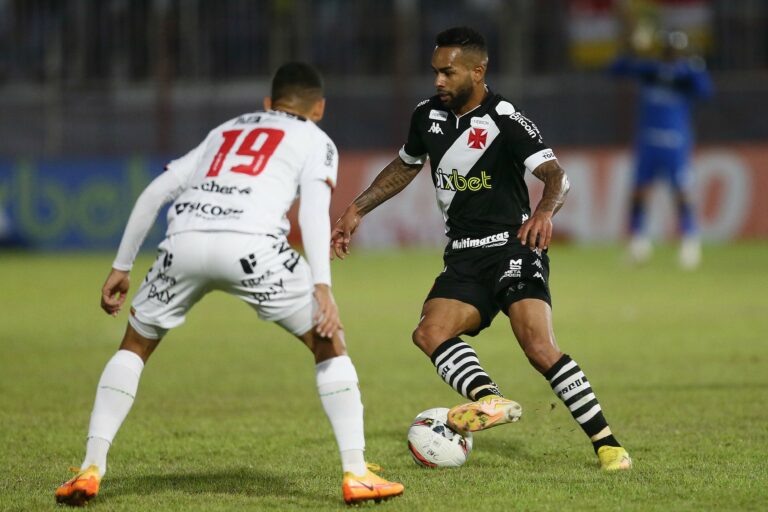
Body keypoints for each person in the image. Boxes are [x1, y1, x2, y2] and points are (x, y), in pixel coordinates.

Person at [54, 62, 404, 506]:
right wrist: (322, 284)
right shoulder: (316, 140)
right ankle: (357, 473)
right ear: (319, 108)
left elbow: (155, 192)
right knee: (328, 344)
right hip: (253, 248)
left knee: (134, 346)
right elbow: (315, 209)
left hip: (183, 244)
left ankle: (90, 466)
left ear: (267, 103)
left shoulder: (227, 129)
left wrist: (122, 265)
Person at [332, 27, 631, 471]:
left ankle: (608, 444)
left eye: (447, 72)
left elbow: (555, 176)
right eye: (435, 72)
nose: (438, 81)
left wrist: (544, 213)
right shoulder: (426, 116)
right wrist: (358, 208)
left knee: (538, 347)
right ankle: (490, 400)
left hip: (513, 246)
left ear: (478, 70)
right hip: (464, 256)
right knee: (428, 333)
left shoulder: (506, 118)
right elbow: (405, 165)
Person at [610, 30, 714, 269]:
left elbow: (706, 92)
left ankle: (689, 242)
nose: (671, 54)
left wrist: (695, 67)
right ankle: (638, 243)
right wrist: (631, 48)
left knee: (681, 191)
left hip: (675, 142)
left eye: (675, 50)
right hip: (648, 141)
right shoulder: (650, 72)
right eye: (669, 49)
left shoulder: (685, 77)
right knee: (639, 191)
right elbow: (616, 69)